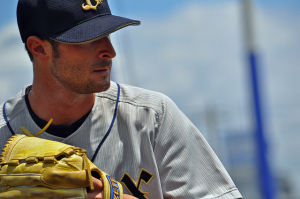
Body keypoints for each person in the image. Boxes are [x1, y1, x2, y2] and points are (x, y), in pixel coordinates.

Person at [0, 0, 243, 198]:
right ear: (39, 48)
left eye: (107, 35)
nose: (109, 51)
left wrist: (114, 196)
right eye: (88, 39)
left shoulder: (152, 117)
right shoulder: (2, 135)